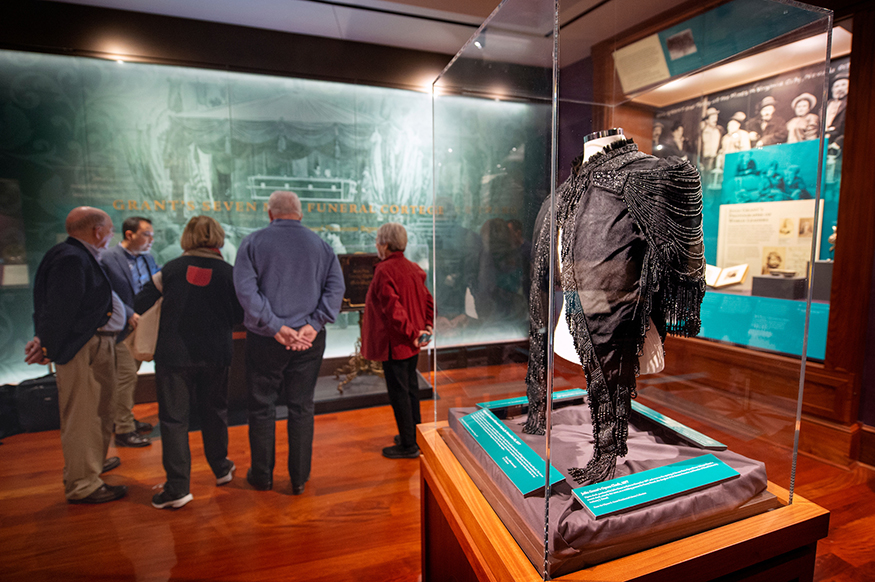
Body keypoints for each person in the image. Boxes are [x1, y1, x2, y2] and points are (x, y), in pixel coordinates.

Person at [234, 191, 344, 494]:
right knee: (301, 408)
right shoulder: (322, 246)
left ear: (269, 214)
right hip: (309, 340)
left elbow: (245, 291)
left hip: (264, 340)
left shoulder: (252, 243)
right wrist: (314, 323)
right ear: (301, 214)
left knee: (261, 407)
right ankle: (298, 479)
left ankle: (262, 476)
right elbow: (336, 287)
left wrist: (274, 326)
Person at [135, 216, 243, 509]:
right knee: (215, 411)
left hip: (174, 355)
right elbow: (239, 315)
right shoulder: (229, 273)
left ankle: (178, 488)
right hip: (217, 353)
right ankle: (221, 468)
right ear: (219, 236)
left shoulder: (170, 269)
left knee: (173, 420)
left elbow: (139, 302)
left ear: (187, 237)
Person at [25, 207, 128, 504]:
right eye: (109, 230)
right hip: (86, 347)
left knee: (98, 411)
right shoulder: (72, 258)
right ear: (97, 231)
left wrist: (46, 341)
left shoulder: (72, 255)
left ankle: (90, 465)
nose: (110, 236)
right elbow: (59, 309)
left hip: (94, 345)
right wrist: (48, 345)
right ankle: (83, 482)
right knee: (83, 416)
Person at [361, 223, 434, 459]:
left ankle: (408, 445)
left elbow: (393, 309)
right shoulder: (413, 267)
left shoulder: (384, 270)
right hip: (412, 342)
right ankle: (412, 435)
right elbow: (428, 299)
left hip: (397, 343)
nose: (376, 245)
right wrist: (426, 327)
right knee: (411, 388)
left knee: (399, 393)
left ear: (384, 244)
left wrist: (412, 333)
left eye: (377, 241)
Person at [100, 216, 159, 448]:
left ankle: (125, 419)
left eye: (152, 235)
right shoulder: (108, 258)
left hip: (144, 325)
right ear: (129, 235)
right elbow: (106, 292)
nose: (151, 240)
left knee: (129, 376)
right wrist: (127, 313)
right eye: (146, 234)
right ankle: (124, 429)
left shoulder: (148, 258)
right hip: (122, 328)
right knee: (125, 376)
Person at [824, 73, 848, 147]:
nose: (840, 89)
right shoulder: (827, 105)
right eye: (837, 86)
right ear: (832, 89)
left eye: (843, 85)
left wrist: (839, 141)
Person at [698, 107, 724, 171]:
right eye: (712, 118)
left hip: (715, 160)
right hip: (705, 160)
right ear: (707, 120)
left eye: (716, 117)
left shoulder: (720, 130)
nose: (715, 120)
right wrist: (700, 161)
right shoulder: (702, 132)